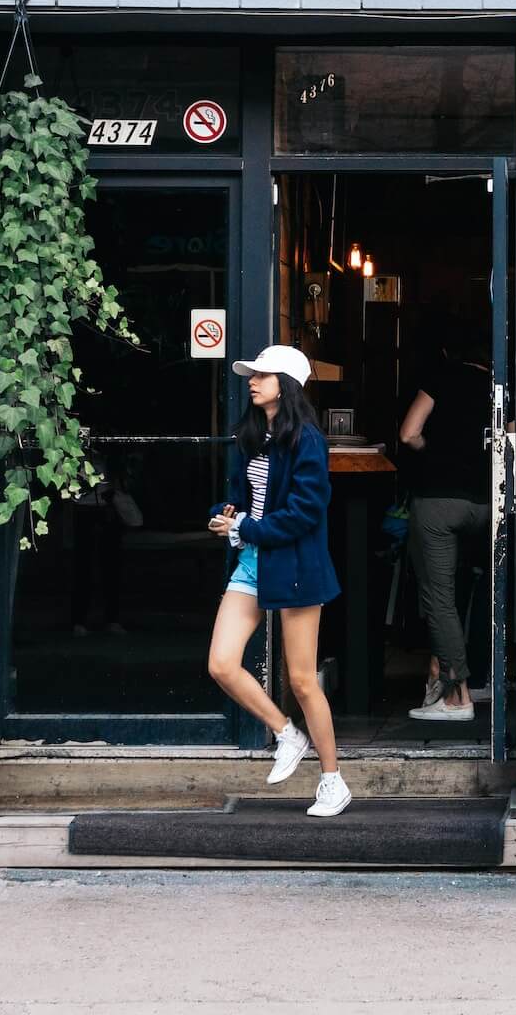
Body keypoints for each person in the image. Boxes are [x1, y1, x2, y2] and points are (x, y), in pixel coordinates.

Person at [205, 345, 350, 818]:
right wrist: (223, 516)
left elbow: (306, 513)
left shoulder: (307, 439)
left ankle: (333, 781)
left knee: (303, 680)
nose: (252, 380)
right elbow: (234, 495)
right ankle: (287, 733)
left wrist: (245, 528)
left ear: (284, 384)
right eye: (252, 374)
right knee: (222, 664)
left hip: (295, 566)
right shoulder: (251, 435)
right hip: (252, 562)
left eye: (262, 374)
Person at [400, 331, 491, 723]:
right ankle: (451, 676)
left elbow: (409, 433)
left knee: (440, 598)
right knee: (474, 591)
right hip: (486, 504)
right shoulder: (497, 386)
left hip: (440, 502)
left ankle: (458, 697)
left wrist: (433, 455)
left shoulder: (441, 378)